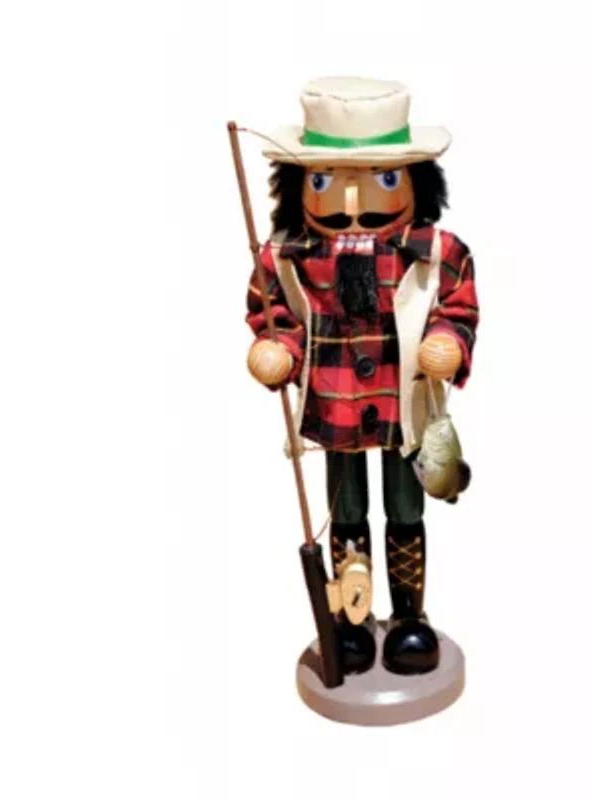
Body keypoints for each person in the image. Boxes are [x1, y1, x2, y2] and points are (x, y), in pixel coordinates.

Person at [244, 77, 479, 676]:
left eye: (382, 179)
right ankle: (352, 619)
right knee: (344, 511)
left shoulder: (434, 251)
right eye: (325, 181)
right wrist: (278, 349)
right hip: (334, 404)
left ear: (417, 181)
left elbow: (457, 304)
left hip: (404, 408)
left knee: (405, 508)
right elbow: (274, 311)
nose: (353, 201)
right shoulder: (289, 256)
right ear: (296, 185)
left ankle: (408, 618)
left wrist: (447, 342)